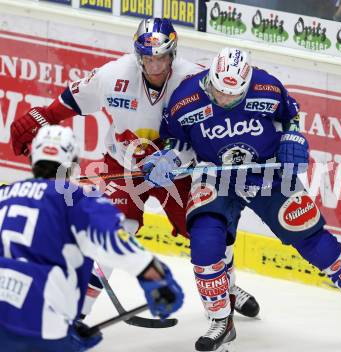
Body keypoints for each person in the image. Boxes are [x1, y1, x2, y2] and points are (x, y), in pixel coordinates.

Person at [144, 47, 341, 351]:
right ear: (211, 79)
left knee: (317, 243)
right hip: (214, 176)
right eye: (219, 92)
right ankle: (221, 321)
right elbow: (177, 141)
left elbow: (291, 118)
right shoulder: (185, 98)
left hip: (267, 173)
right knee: (206, 242)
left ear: (246, 85)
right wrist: (169, 159)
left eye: (233, 96)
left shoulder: (266, 87)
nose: (224, 99)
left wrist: (293, 138)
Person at [9, 18, 259, 319]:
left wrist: (179, 158)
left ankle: (228, 287)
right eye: (148, 57)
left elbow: (210, 129)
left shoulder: (194, 80)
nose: (155, 65)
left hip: (178, 173)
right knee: (113, 233)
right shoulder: (114, 74)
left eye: (162, 57)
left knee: (207, 231)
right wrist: (45, 116)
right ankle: (77, 313)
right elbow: (75, 98)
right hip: (124, 167)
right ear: (138, 54)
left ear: (173, 53)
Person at [0, 125, 183, 352]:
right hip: (43, 321)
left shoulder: (4, 196)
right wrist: (156, 278)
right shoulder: (77, 199)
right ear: (72, 162)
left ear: (33, 159)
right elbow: (115, 239)